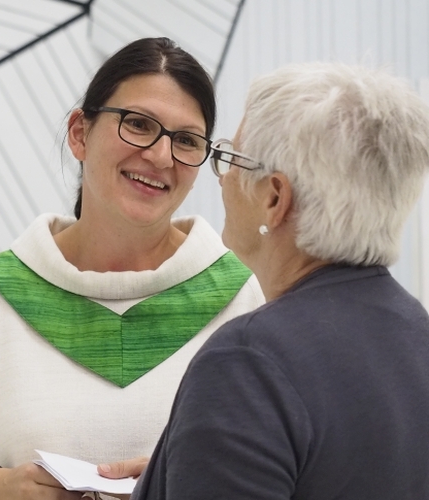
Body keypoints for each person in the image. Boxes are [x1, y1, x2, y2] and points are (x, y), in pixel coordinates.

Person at [0, 37, 263, 500]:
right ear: (79, 133)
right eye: (139, 124)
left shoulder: (245, 303)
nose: (161, 156)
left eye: (186, 140)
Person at [131, 62, 429, 499]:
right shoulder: (417, 336)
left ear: (274, 198)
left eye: (232, 159)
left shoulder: (247, 363)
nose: (224, 180)